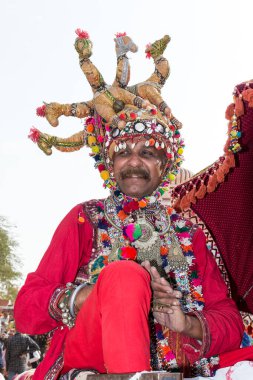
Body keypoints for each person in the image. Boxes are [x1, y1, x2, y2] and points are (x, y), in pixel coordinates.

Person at [14, 31, 247, 379]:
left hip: (181, 362)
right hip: (93, 354)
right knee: (123, 276)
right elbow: (27, 310)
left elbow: (228, 317)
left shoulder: (190, 231)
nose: (133, 162)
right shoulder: (86, 218)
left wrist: (186, 322)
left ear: (164, 166)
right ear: (109, 164)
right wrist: (92, 295)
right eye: (123, 153)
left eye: (147, 152)